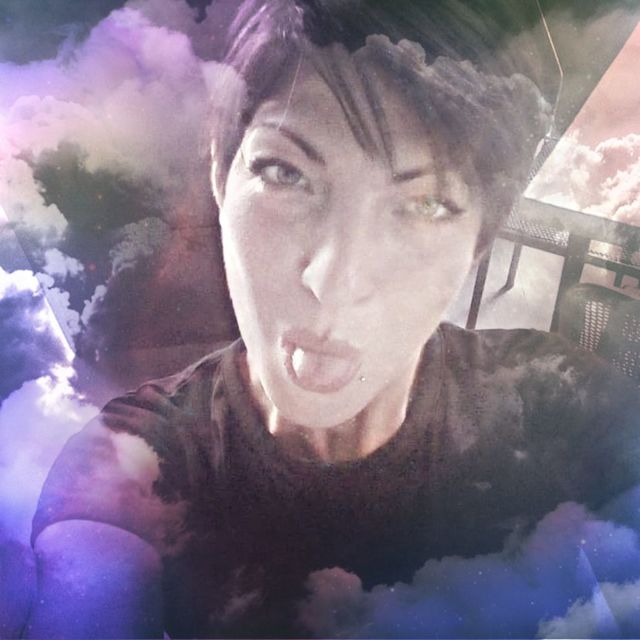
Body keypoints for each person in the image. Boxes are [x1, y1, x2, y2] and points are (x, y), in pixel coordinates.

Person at [26, 0, 640, 637]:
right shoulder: (135, 458)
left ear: (479, 242)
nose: (333, 279)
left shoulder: (555, 401)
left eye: (425, 204)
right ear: (220, 174)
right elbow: (90, 583)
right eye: (285, 173)